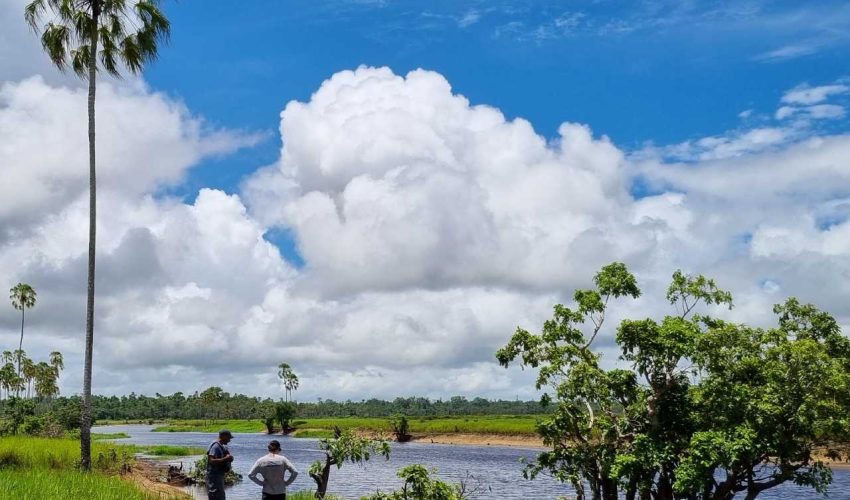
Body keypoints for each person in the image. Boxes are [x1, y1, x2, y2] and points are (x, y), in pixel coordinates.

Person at [206, 429, 235, 500]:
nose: (229, 440)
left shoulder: (222, 446)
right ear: (223, 436)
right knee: (215, 495)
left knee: (221, 496)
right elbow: (211, 460)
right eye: (228, 438)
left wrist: (229, 457)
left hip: (219, 476)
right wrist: (226, 459)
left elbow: (226, 455)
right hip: (214, 477)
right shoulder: (215, 446)